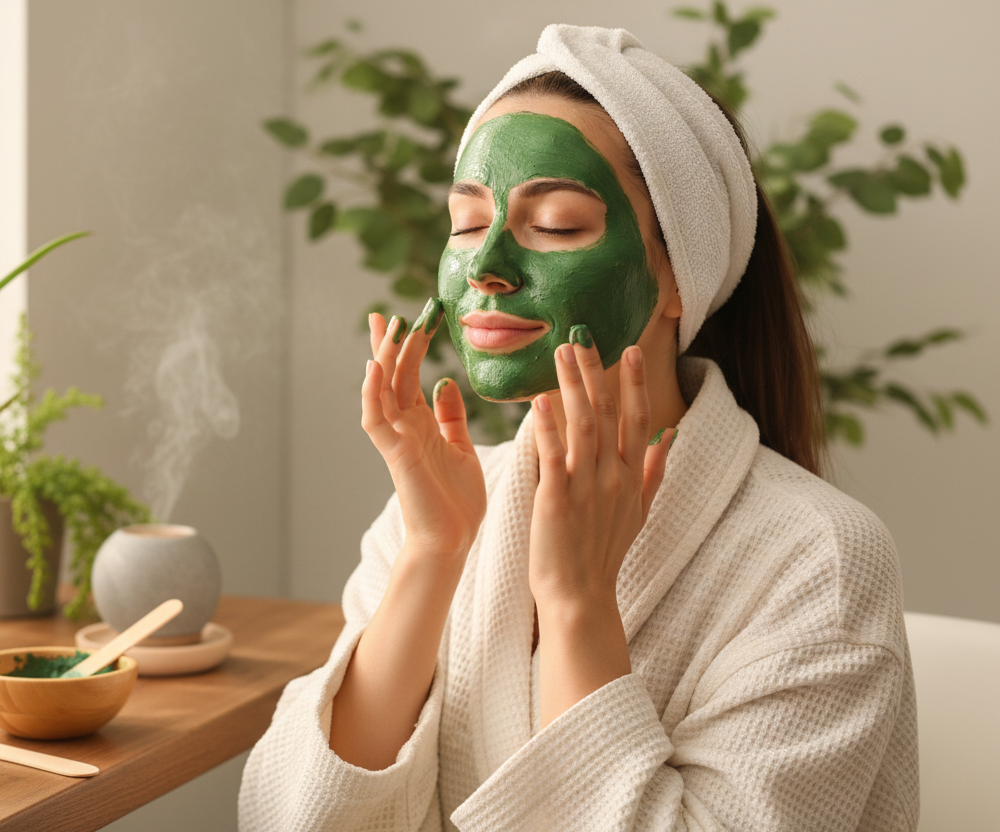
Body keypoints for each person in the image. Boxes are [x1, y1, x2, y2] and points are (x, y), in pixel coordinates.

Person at [239, 25, 917, 831]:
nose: (485, 266)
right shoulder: (441, 511)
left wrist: (577, 604)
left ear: (678, 274)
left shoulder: (817, 560)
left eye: (557, 225)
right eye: (466, 222)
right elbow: (288, 819)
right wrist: (432, 553)